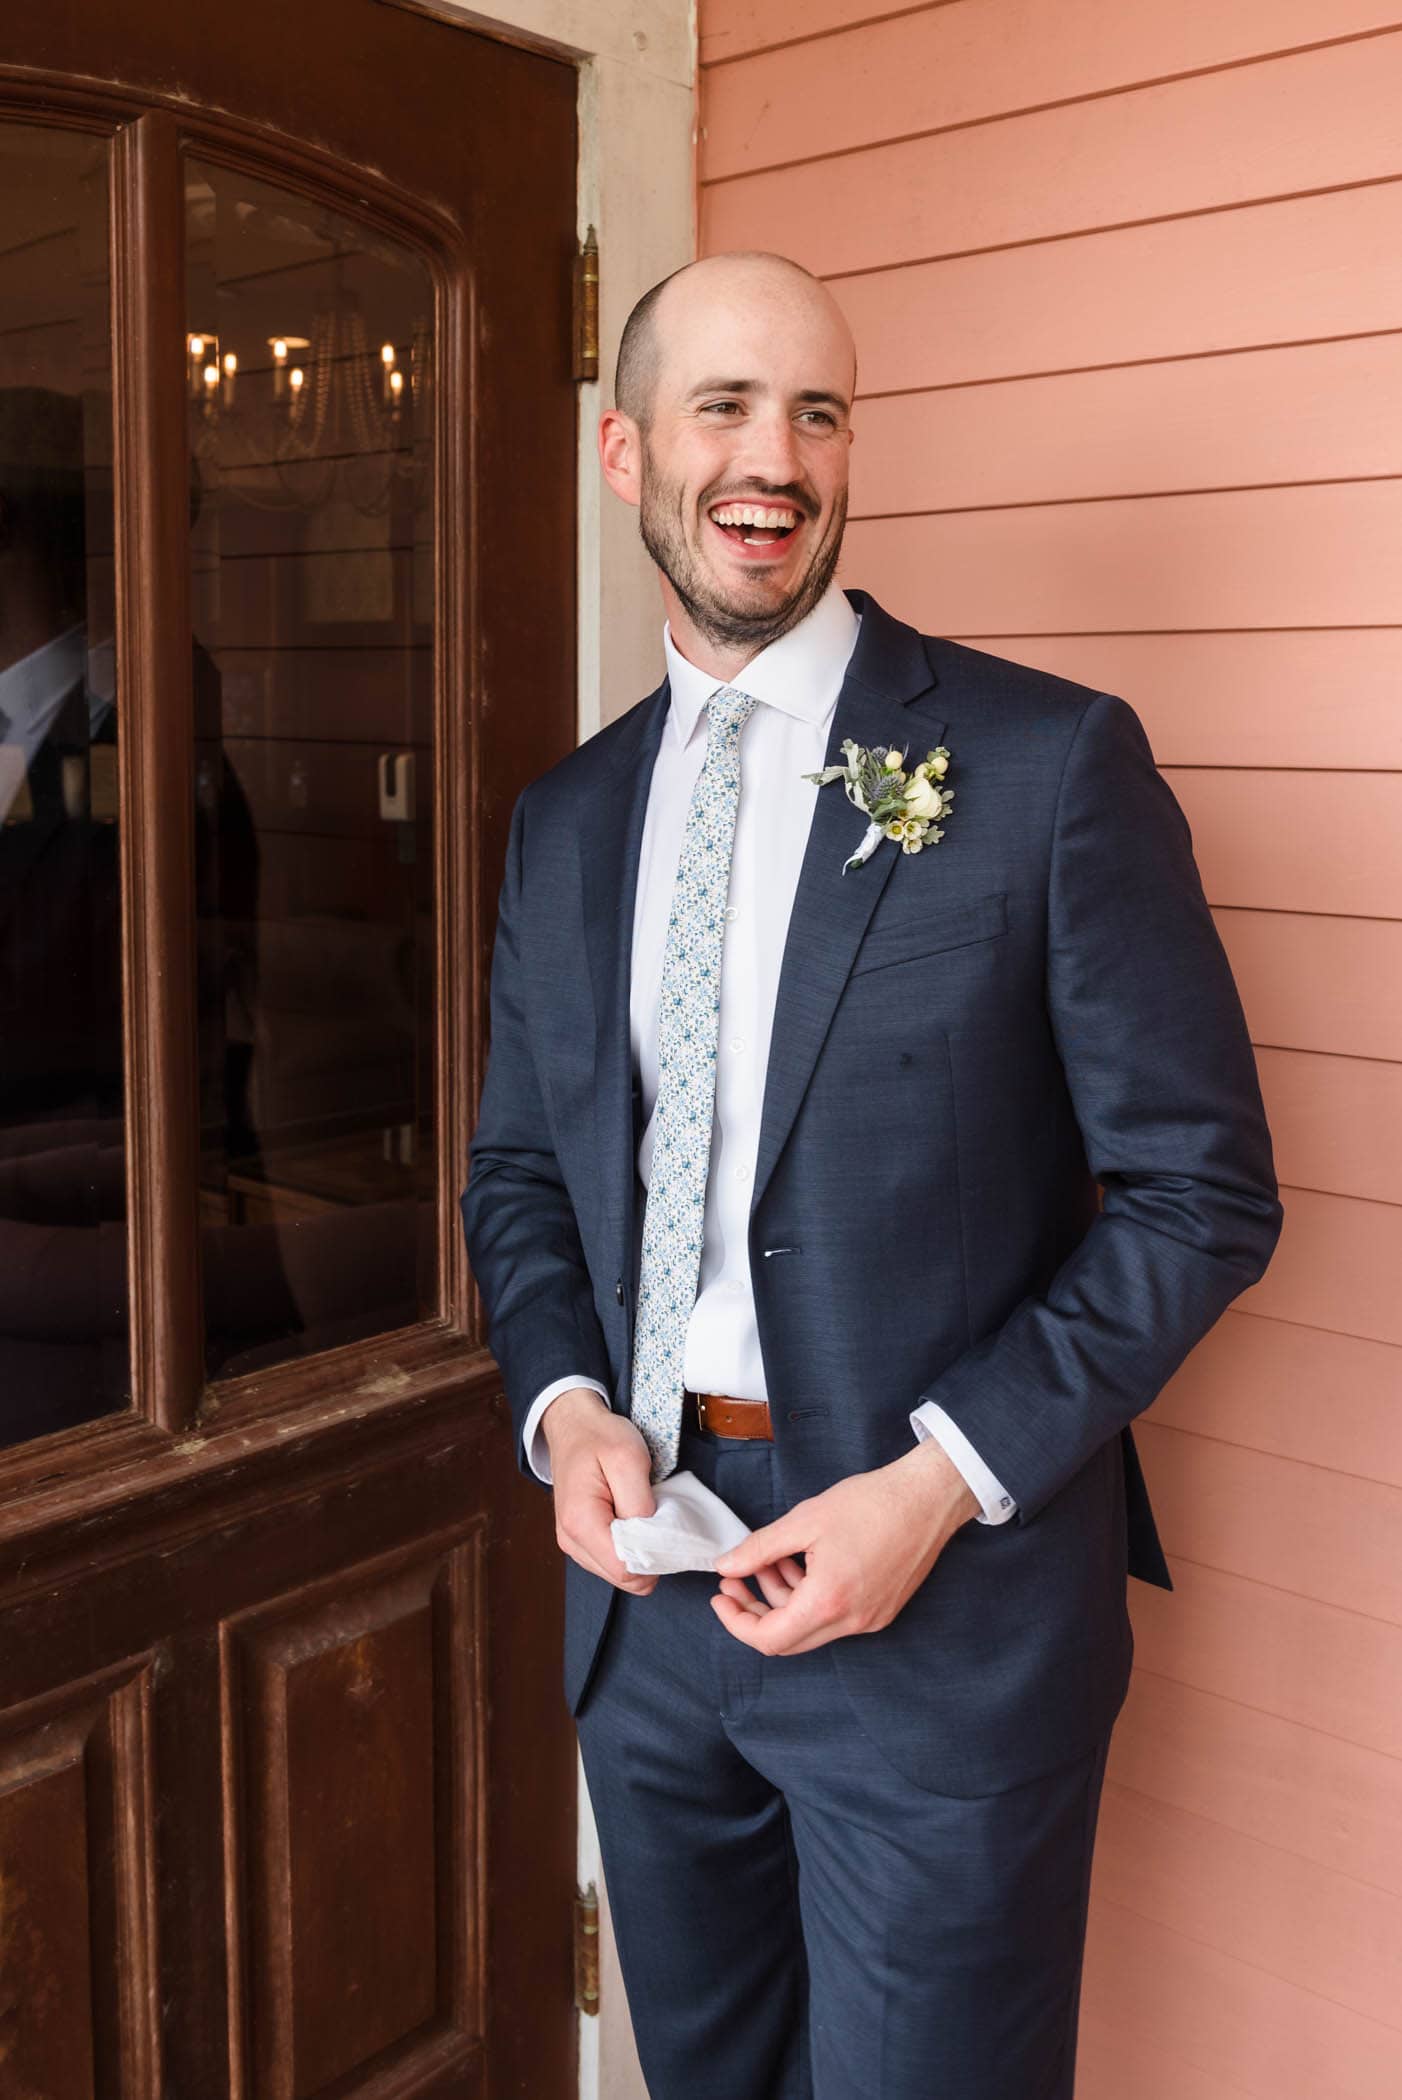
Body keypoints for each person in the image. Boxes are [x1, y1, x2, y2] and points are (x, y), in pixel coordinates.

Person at [460, 251, 1282, 2100]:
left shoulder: (1040, 761)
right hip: (649, 1614)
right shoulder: (570, 821)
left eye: (818, 412)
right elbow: (517, 1167)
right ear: (623, 452)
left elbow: (1198, 1191)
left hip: (948, 1627)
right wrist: (568, 1406)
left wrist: (940, 1482)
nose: (776, 457)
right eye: (725, 408)